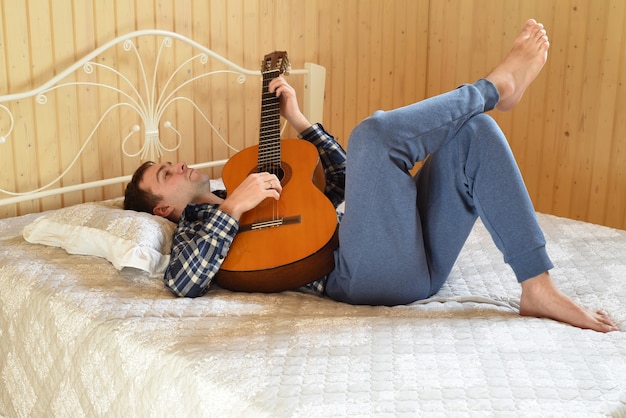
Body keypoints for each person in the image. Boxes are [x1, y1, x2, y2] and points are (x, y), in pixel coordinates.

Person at [124, 19, 618, 333]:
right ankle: (494, 86)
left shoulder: (246, 175)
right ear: (163, 208)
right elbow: (183, 284)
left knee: (475, 134)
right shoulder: (192, 236)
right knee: (372, 134)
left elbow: (347, 179)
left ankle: (537, 287)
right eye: (166, 172)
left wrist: (300, 124)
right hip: (358, 274)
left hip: (412, 255)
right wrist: (234, 206)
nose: (180, 163)